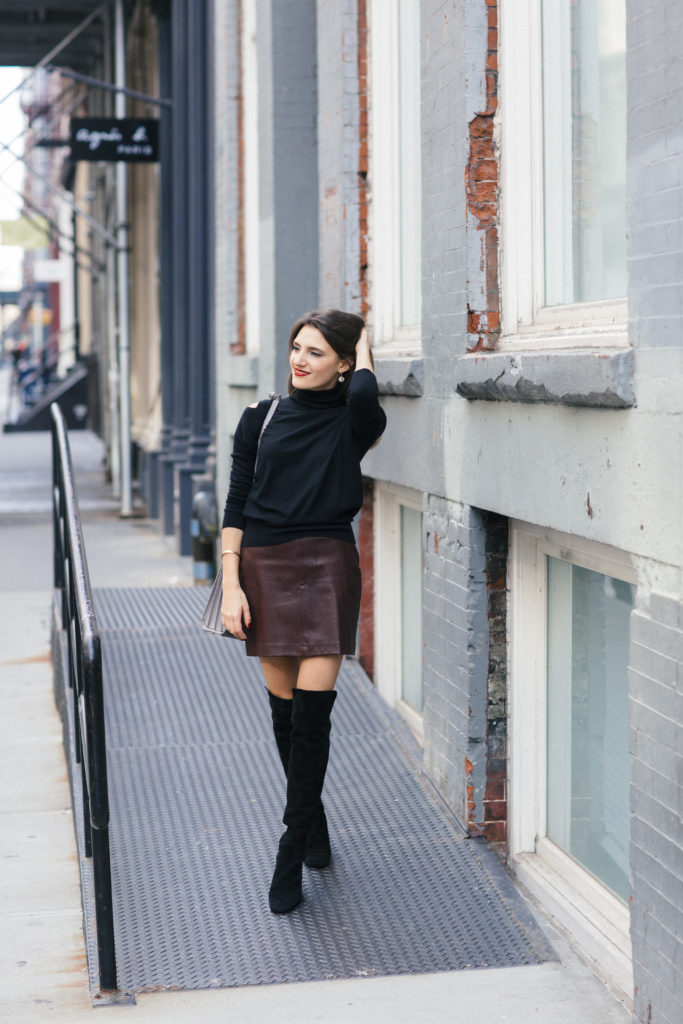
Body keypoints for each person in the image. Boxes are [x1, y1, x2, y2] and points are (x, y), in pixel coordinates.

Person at [220, 309, 386, 914]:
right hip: (262, 565)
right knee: (286, 720)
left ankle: (289, 849)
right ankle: (314, 822)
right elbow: (236, 500)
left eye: (316, 352)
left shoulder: (354, 419)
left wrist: (361, 345)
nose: (299, 359)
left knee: (313, 720)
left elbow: (366, 390)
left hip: (326, 567)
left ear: (343, 364)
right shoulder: (259, 418)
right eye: (296, 347)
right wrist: (231, 583)